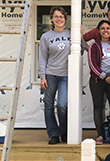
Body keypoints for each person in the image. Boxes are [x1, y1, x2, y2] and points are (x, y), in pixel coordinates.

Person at [88, 20, 110, 144]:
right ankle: (100, 135)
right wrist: (103, 76)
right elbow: (92, 64)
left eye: (107, 28)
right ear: (98, 31)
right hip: (97, 80)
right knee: (99, 107)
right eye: (102, 28)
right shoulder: (94, 45)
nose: (105, 30)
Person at [38, 6, 71, 144]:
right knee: (49, 105)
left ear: (65, 19)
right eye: (56, 16)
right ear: (51, 19)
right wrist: (42, 76)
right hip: (50, 74)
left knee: (62, 105)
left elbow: (81, 49)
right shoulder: (46, 36)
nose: (59, 19)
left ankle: (64, 132)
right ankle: (53, 134)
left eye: (61, 16)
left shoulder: (71, 33)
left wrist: (80, 36)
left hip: (66, 75)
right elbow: (42, 58)